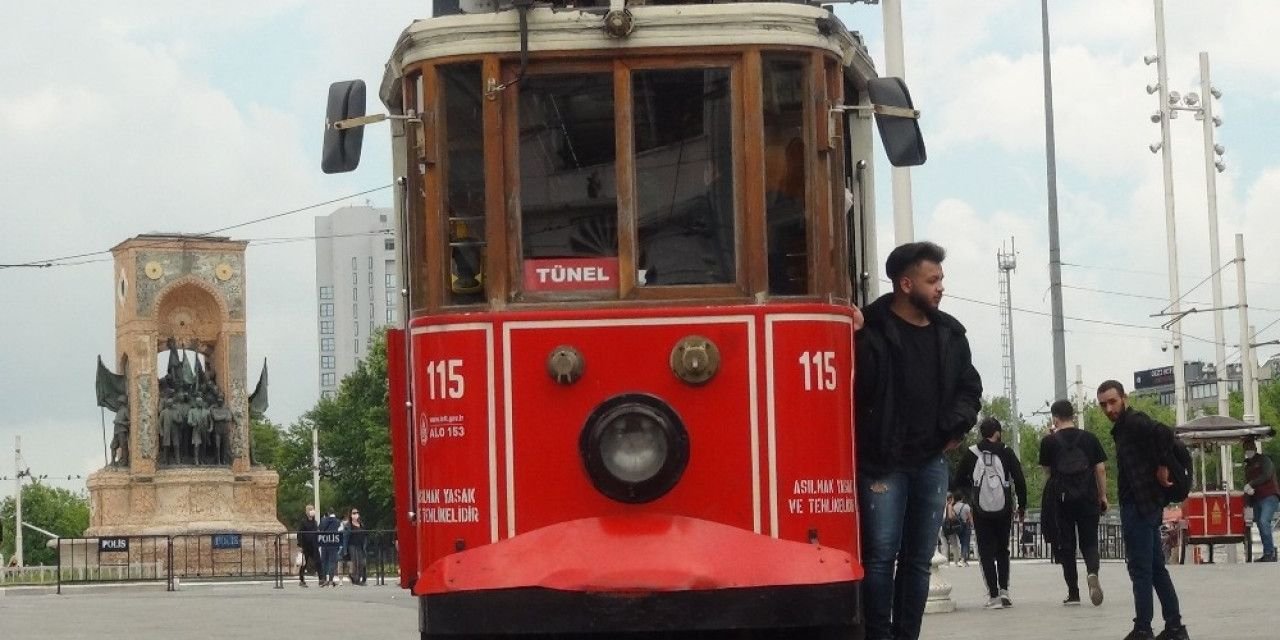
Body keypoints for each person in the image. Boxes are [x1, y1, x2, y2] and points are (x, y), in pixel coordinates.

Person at [854, 241, 982, 640]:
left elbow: (970, 389)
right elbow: (860, 390)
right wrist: (854, 336)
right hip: (883, 462)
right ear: (906, 284)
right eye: (933, 280)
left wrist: (955, 428)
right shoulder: (870, 329)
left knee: (918, 561)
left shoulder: (950, 334)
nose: (941, 287)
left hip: (930, 463)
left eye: (941, 278)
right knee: (879, 557)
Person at [1097, 380, 1189, 640]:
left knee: (1140, 569)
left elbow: (1163, 432)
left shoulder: (1134, 422)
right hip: (1146, 504)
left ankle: (1143, 628)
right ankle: (1174, 627)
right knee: (1156, 568)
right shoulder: (1124, 427)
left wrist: (1162, 466)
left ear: (1124, 397)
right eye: (1103, 404)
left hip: (1139, 505)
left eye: (1112, 401)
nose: (1108, 409)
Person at [1040, 399, 1109, 606]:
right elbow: (1100, 469)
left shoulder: (1049, 442)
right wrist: (1103, 495)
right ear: (1073, 415)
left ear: (1055, 418)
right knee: (1089, 541)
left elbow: (1047, 472)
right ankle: (1092, 573)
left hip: (1061, 500)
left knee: (1066, 544)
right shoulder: (1090, 439)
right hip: (1088, 497)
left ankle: (1073, 593)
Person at [955, 417, 1027, 610]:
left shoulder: (971, 454)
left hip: (980, 510)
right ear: (998, 432)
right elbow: (1019, 479)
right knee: (1002, 549)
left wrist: (971, 495)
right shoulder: (1006, 452)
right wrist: (1022, 506)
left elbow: (958, 480)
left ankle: (993, 595)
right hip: (1004, 509)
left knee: (985, 551)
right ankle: (1004, 591)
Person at [1243, 436, 1278, 562]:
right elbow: (1247, 485)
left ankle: (1270, 553)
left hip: (1269, 496)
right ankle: (1267, 552)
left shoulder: (1264, 460)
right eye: (1246, 449)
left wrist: (1252, 484)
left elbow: (1267, 475)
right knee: (1260, 524)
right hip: (1257, 498)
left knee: (1264, 521)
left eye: (1250, 448)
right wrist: (1247, 502)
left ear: (1255, 448)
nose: (1248, 450)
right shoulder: (1247, 466)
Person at [318, 507, 342, 587]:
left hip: (324, 542)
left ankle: (324, 580)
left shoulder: (323, 520)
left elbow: (320, 529)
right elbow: (340, 532)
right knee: (332, 562)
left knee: (324, 561)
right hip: (334, 542)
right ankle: (331, 581)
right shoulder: (338, 521)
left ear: (328, 513)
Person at [344, 508, 369, 585]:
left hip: (360, 545)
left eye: (357, 513)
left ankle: (358, 577)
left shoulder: (361, 524)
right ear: (351, 515)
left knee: (361, 562)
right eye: (354, 513)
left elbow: (365, 535)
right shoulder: (348, 525)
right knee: (355, 562)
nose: (355, 514)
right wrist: (345, 550)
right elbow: (345, 538)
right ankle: (356, 578)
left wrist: (365, 544)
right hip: (352, 545)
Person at [296, 504, 319, 587]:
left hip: (313, 545)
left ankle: (321, 579)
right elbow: (299, 533)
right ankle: (301, 580)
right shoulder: (303, 522)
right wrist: (300, 545)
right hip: (305, 545)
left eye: (313, 509)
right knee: (304, 563)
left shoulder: (315, 522)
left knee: (317, 561)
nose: (312, 511)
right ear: (307, 512)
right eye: (310, 509)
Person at [941, 495, 963, 565]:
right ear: (950, 499)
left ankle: (945, 562)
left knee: (945, 545)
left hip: (943, 527)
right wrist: (955, 518)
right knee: (954, 545)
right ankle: (956, 561)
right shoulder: (950, 506)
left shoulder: (943, 506)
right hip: (950, 527)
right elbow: (950, 516)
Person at [954, 494, 973, 566]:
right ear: (962, 498)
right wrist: (972, 524)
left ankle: (963, 559)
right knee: (965, 543)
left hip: (958, 526)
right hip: (965, 525)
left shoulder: (954, 506)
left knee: (962, 542)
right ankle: (963, 560)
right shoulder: (966, 506)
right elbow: (969, 516)